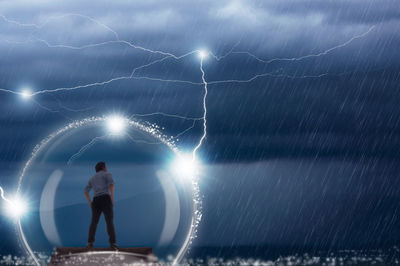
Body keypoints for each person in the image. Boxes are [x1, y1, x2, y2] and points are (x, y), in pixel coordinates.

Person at [84, 161, 118, 250]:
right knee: (109, 221)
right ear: (103, 167)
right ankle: (113, 243)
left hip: (95, 200)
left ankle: (90, 243)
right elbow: (111, 185)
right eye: (105, 166)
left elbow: (86, 191)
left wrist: (90, 202)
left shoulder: (92, 178)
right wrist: (112, 198)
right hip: (106, 198)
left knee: (94, 222)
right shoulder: (107, 174)